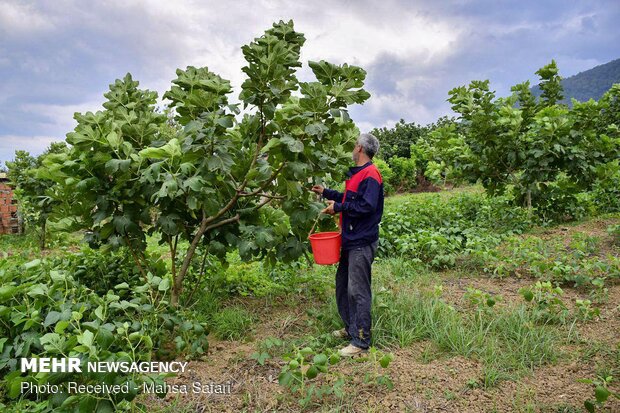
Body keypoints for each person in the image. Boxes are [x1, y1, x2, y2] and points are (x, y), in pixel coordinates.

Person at [311, 133, 384, 357]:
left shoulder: (370, 174)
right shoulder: (359, 174)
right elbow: (350, 197)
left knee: (357, 290)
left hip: (361, 241)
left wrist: (339, 208)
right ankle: (351, 328)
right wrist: (327, 193)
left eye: (354, 145)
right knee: (343, 286)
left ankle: (361, 342)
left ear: (360, 148)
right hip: (350, 239)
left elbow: (366, 206)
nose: (353, 148)